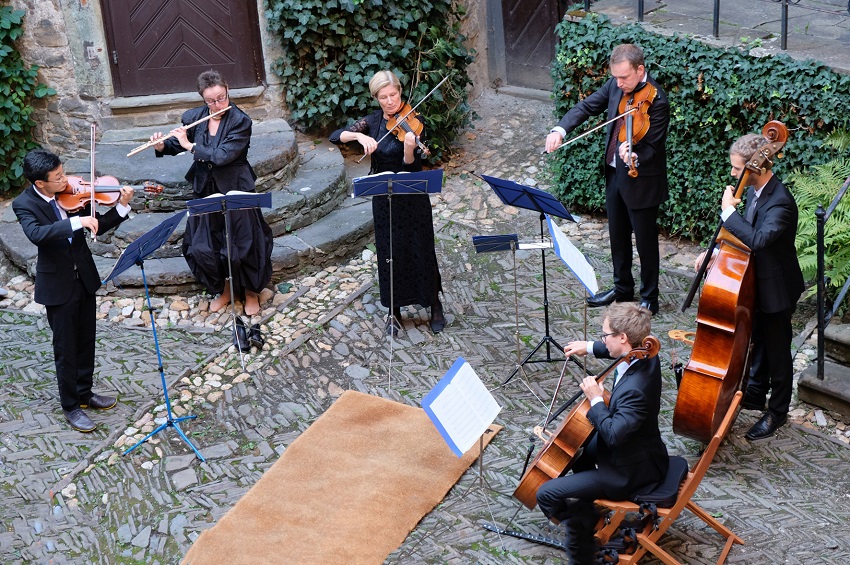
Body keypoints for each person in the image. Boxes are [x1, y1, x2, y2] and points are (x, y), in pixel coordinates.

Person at [536, 302, 668, 563]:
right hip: (639, 451)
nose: (602, 339)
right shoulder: (645, 354)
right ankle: (591, 504)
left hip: (627, 472)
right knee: (579, 449)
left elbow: (614, 435)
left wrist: (596, 399)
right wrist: (590, 346)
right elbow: (618, 353)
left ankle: (584, 524)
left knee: (545, 493)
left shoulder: (636, 390)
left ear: (622, 338)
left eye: (605, 335)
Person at [13, 149, 133, 432]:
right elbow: (37, 235)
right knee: (65, 348)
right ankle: (70, 406)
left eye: (63, 172)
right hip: (57, 284)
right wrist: (76, 221)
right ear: (40, 183)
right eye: (58, 178)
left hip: (84, 278)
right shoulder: (24, 204)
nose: (65, 180)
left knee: (85, 340)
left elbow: (98, 226)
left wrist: (122, 207)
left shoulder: (71, 194)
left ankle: (84, 393)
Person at [694, 133, 804, 441]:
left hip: (777, 287)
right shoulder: (755, 190)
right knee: (757, 341)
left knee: (777, 349)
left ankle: (778, 411)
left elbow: (758, 240)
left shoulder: (780, 202)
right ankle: (755, 393)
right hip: (755, 281)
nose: (733, 174)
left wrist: (728, 213)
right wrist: (717, 252)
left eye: (737, 168)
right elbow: (747, 237)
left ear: (757, 168)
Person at [545, 44, 670, 316]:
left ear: (640, 70)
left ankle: (650, 296)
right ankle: (622, 288)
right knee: (617, 235)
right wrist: (560, 129)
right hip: (615, 173)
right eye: (616, 77)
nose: (619, 83)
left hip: (643, 179)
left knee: (646, 241)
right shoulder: (616, 87)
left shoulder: (657, 100)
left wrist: (635, 155)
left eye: (624, 77)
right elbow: (588, 106)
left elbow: (654, 146)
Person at [329, 70, 445, 335]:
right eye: (384, 97)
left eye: (393, 95)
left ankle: (434, 304)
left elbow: (412, 163)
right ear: (376, 98)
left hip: (412, 194)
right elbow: (336, 135)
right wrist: (358, 136)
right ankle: (393, 309)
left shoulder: (415, 121)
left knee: (421, 247)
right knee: (390, 252)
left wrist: (408, 147)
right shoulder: (372, 122)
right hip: (385, 199)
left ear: (400, 92)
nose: (390, 102)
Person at [150, 70, 273, 317]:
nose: (218, 104)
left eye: (221, 98)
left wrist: (190, 146)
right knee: (207, 244)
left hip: (236, 185)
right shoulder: (194, 117)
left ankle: (250, 291)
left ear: (227, 90)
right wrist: (163, 145)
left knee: (245, 242)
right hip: (205, 187)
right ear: (203, 99)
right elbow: (177, 143)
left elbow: (222, 155)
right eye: (211, 101)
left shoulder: (240, 121)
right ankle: (226, 290)